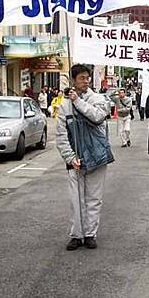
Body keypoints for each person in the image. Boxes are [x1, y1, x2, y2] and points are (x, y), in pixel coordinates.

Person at [56, 64, 113, 251]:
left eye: (87, 78)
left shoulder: (98, 99)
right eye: (81, 78)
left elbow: (97, 117)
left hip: (97, 156)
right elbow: (61, 136)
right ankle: (76, 235)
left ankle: (90, 234)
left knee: (94, 198)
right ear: (74, 80)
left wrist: (78, 102)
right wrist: (70, 157)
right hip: (76, 159)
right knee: (76, 199)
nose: (85, 81)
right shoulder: (64, 106)